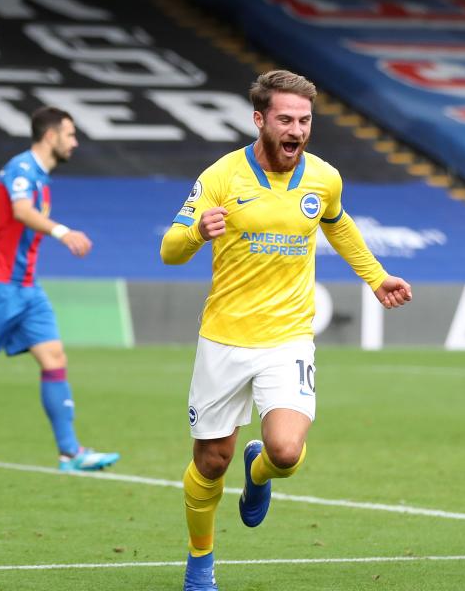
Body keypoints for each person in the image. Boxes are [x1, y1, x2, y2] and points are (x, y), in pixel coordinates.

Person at [161, 69, 413, 591]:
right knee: (210, 461)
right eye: (285, 119)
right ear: (260, 120)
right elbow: (169, 248)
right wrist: (195, 234)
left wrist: (376, 276)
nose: (296, 130)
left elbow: (338, 223)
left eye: (304, 120)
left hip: (288, 338)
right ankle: (200, 561)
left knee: (285, 453)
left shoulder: (323, 178)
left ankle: (259, 475)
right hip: (224, 338)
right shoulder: (222, 177)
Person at [0, 107, 119, 475]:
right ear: (50, 136)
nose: (75, 142)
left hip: (27, 289)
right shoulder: (22, 169)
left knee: (54, 358)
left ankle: (69, 453)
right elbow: (21, 211)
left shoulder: (41, 177)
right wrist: (63, 232)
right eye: (70, 134)